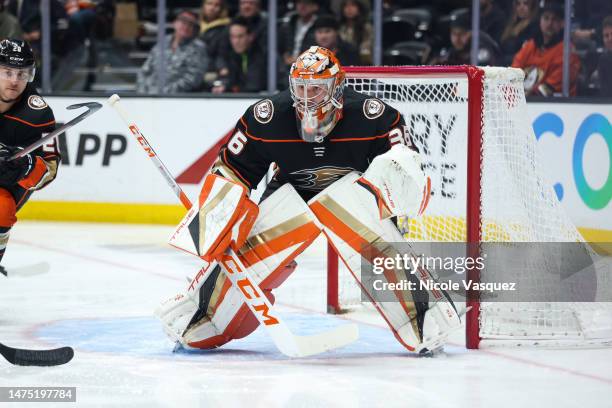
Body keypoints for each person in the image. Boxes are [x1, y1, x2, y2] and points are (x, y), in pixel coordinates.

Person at [156, 46, 462, 355]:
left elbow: (402, 165)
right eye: (300, 88)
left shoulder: (373, 116)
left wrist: (399, 182)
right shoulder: (267, 117)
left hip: (352, 198)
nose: (306, 97)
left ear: (337, 85)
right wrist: (218, 214)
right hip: (291, 195)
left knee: (375, 239)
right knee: (246, 255)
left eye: (315, 88)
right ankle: (206, 316)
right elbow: (233, 169)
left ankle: (424, 315)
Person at [0, 39, 59, 277]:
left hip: (5, 185)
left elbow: (51, 168)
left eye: (22, 74)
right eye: (7, 72)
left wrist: (25, 166)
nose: (15, 81)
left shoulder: (39, 114)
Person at [511, 3, 581, 96]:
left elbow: (547, 89)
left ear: (562, 23)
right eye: (546, 18)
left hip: (554, 105)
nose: (549, 23)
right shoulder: (530, 46)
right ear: (540, 21)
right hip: (525, 100)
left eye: (554, 19)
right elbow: (513, 73)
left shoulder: (567, 51)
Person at [137, 10, 209, 94]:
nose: (186, 26)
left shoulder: (198, 48)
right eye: (183, 21)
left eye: (191, 24)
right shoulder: (163, 42)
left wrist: (165, 92)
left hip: (179, 99)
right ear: (175, 23)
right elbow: (145, 70)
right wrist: (143, 91)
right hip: (149, 95)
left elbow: (193, 79)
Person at [212, 16, 267, 93]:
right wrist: (223, 85)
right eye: (232, 36)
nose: (236, 41)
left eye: (240, 36)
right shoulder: (228, 55)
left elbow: (253, 87)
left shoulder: (264, 56)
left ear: (251, 37)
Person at [430, 9, 499, 66]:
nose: (457, 39)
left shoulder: (482, 49)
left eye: (461, 34)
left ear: (470, 34)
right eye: (454, 34)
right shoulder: (451, 52)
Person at [279, 0, 320, 67]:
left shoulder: (320, 25)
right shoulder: (289, 24)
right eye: (299, 2)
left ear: (315, 6)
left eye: (306, 3)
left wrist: (300, 59)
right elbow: (279, 47)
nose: (302, 6)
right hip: (287, 68)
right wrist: (284, 55)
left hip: (310, 68)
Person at [338, 0, 372, 64]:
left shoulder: (366, 28)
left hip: (361, 63)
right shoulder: (339, 28)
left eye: (353, 5)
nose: (349, 9)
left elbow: (367, 50)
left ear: (360, 9)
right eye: (346, 6)